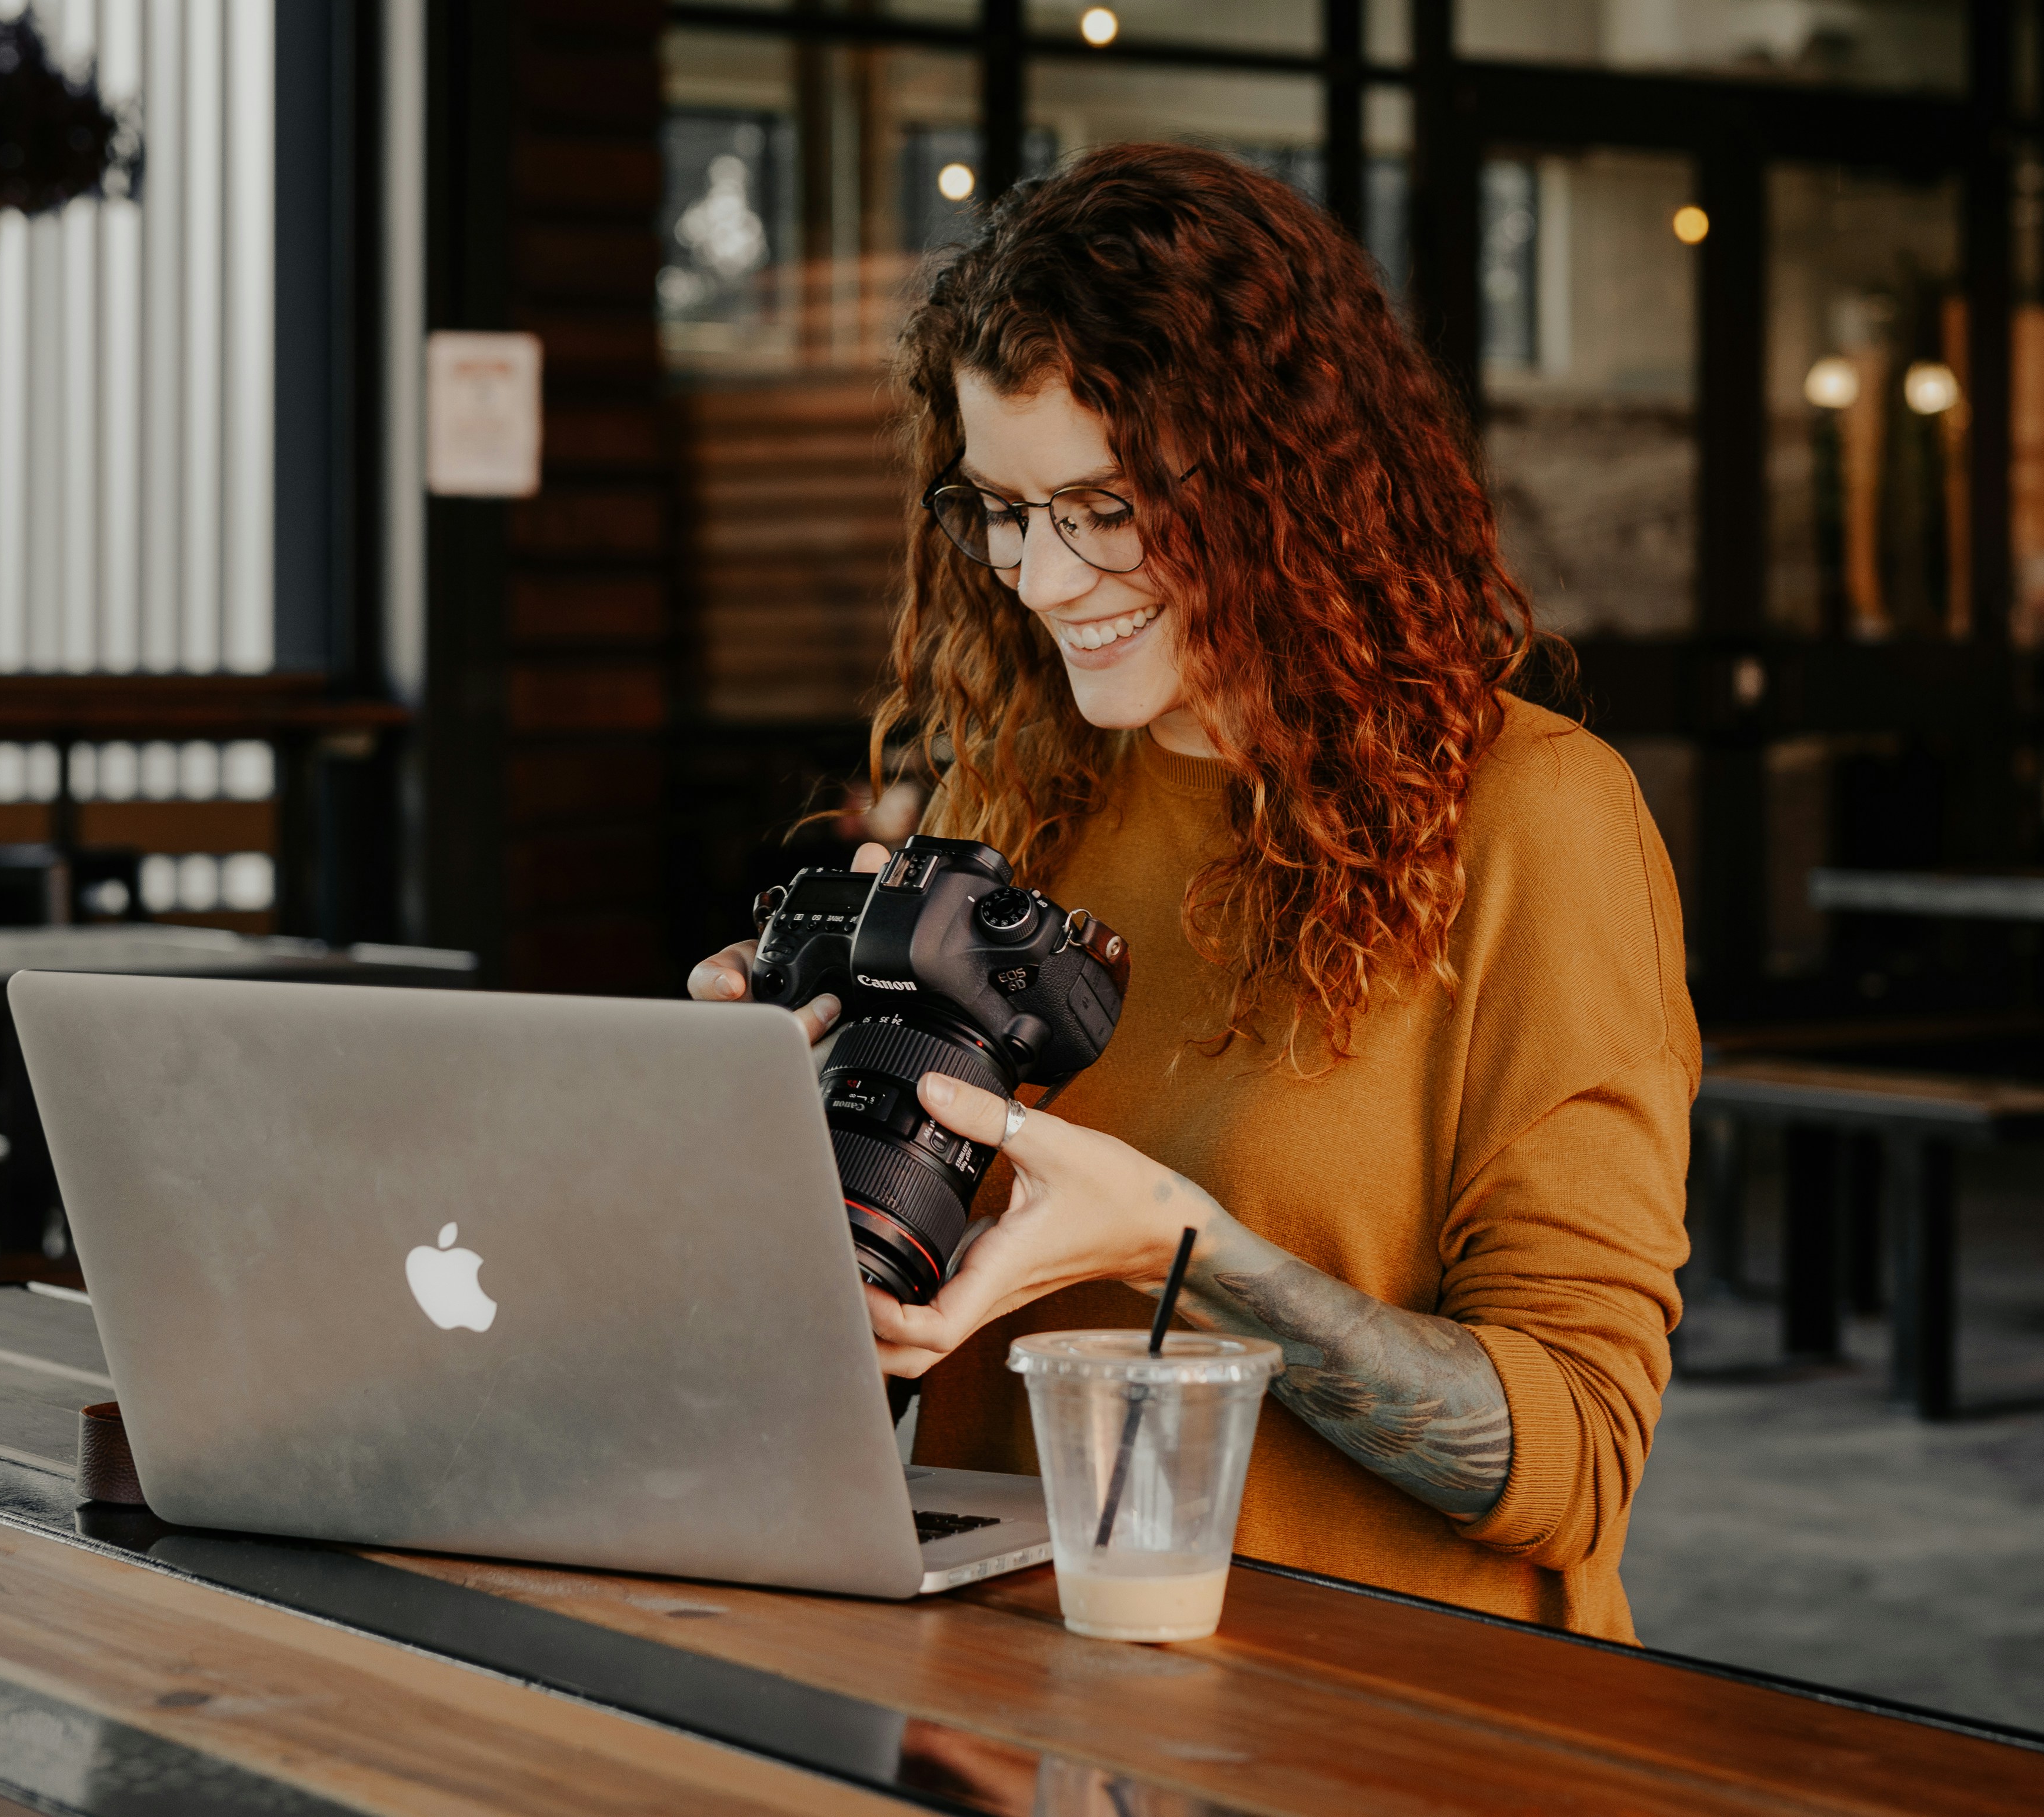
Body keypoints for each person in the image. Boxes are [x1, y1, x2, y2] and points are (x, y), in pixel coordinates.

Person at [692, 141, 1698, 1638]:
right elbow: (871, 1386)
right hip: (1004, 1694)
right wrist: (761, 1152)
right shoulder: (1009, 811)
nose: (1037, 579)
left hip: (1393, 1732)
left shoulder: (1536, 820)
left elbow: (1572, 1461)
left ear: (1282, 486)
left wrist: (1184, 1250)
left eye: (1102, 508)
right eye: (1003, 510)